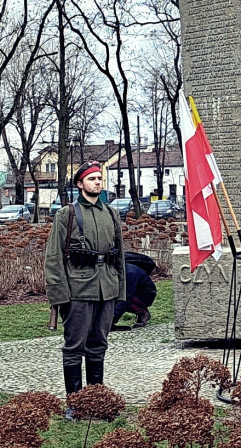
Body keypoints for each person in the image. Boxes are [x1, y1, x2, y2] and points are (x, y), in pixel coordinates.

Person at [45, 161, 126, 417]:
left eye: (99, 179)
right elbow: (54, 257)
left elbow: (119, 255)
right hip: (78, 290)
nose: (97, 183)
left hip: (107, 289)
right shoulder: (67, 214)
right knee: (74, 347)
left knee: (98, 345)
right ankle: (75, 404)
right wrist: (60, 296)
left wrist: (120, 291)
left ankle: (96, 400)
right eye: (91, 179)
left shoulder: (111, 214)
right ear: (80, 184)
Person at [112, 254, 158, 328]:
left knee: (123, 300)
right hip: (136, 290)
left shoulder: (130, 272)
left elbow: (126, 297)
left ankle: (143, 312)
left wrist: (113, 319)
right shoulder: (122, 269)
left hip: (147, 294)